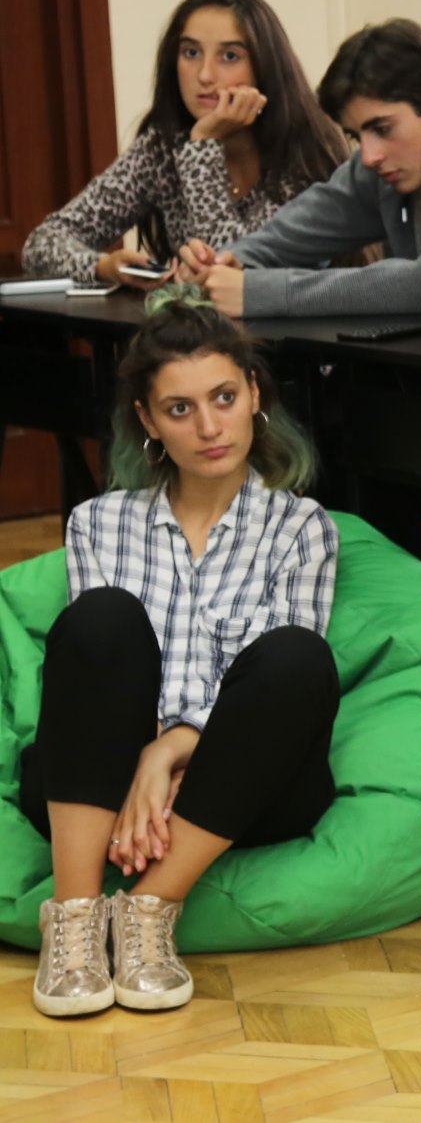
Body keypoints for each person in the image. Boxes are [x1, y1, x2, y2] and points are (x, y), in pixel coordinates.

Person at [23, 285, 338, 1019]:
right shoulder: (97, 523)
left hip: (243, 789)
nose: (208, 426)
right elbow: (99, 678)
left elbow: (270, 693)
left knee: (296, 657)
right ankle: (74, 921)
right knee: (103, 618)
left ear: (254, 393)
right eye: (178, 408)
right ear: (147, 422)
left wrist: (164, 753)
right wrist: (139, 757)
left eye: (224, 397)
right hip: (102, 792)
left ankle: (148, 911)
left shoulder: (301, 528)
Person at [24, 0, 344, 287]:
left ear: (265, 67)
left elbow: (233, 273)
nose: (204, 75)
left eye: (229, 56)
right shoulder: (163, 147)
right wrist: (104, 267)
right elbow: (42, 244)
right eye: (191, 53)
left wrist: (203, 145)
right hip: (194, 328)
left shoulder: (304, 154)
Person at [172, 18, 421, 318]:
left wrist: (261, 293)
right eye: (356, 136)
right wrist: (221, 267)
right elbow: (286, 238)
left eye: (383, 129)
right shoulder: (374, 174)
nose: (369, 156)